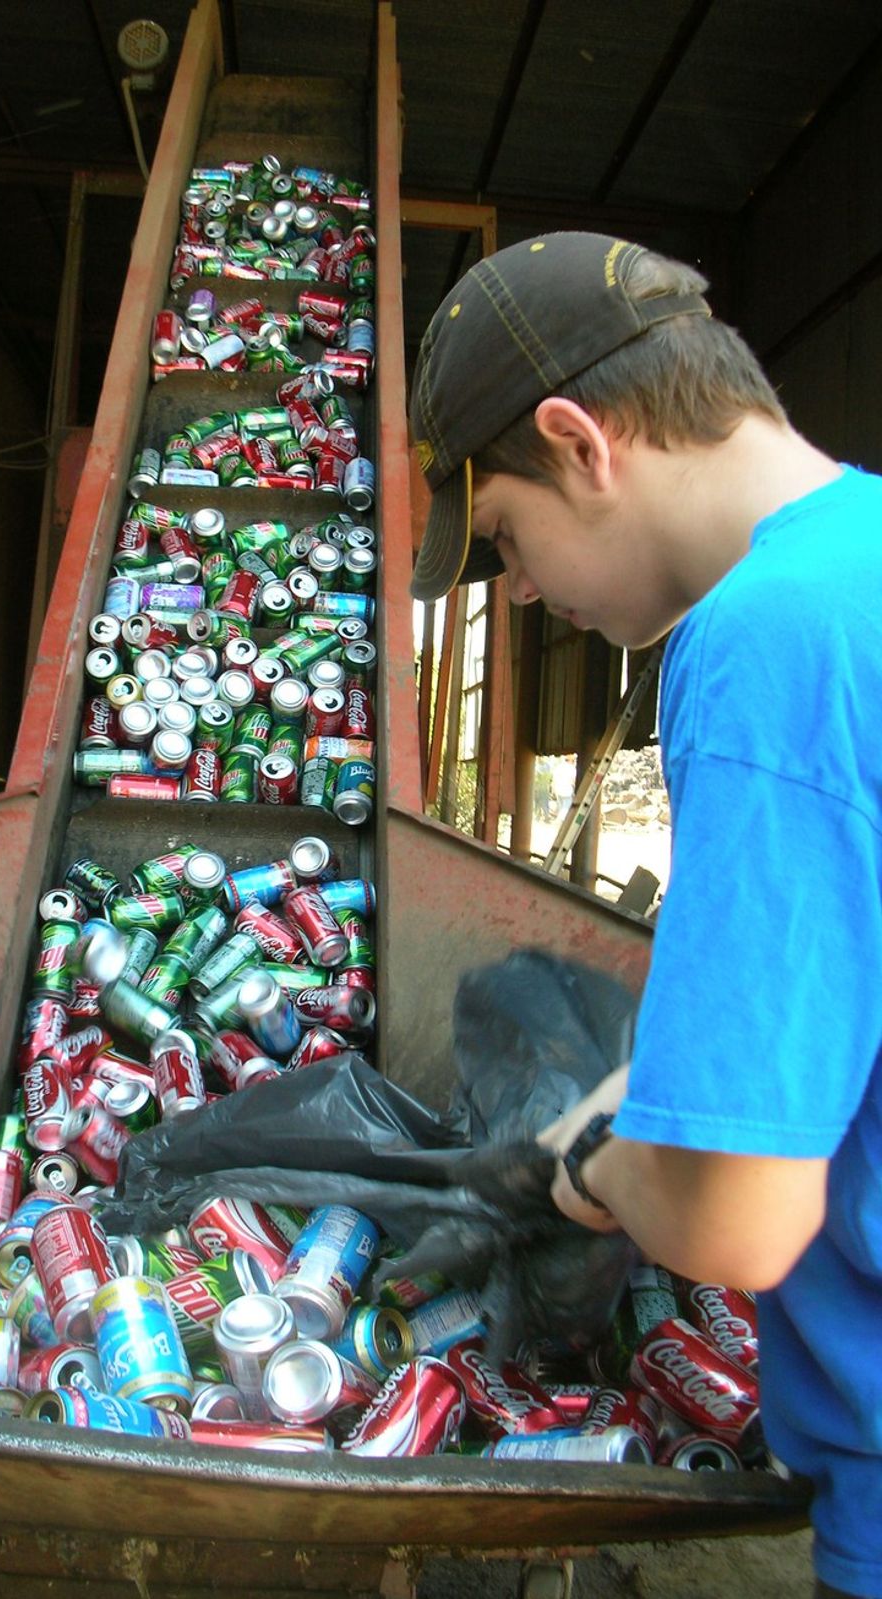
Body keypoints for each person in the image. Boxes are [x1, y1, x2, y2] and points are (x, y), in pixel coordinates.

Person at [408, 232, 882, 1599]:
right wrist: (636, 1090)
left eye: (505, 538)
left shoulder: (767, 637)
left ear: (581, 441)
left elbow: (739, 1227)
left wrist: (587, 1173)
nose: (526, 591)